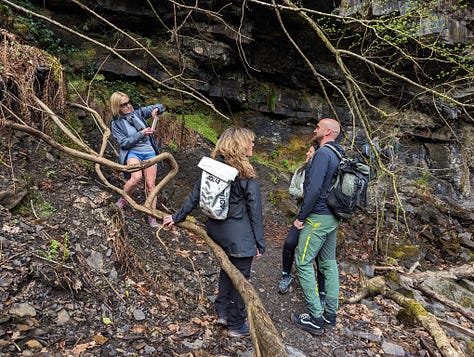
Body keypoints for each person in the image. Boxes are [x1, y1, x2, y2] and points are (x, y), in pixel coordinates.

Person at [162, 127, 265, 338]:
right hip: (238, 235)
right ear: (239, 145)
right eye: (250, 142)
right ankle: (236, 324)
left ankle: (222, 312)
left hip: (215, 229)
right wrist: (259, 243)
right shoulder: (246, 175)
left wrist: (176, 216)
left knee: (227, 269)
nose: (253, 145)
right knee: (241, 279)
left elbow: (195, 196)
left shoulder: (213, 167)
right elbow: (255, 212)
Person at [291, 118, 342, 335]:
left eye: (318, 127)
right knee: (329, 263)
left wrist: (301, 217)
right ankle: (330, 314)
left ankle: (315, 317)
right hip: (333, 216)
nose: (315, 129)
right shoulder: (339, 153)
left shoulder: (322, 153)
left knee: (302, 262)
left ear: (328, 131)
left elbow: (312, 190)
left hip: (318, 217)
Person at [109, 91, 165, 228]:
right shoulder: (116, 123)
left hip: (149, 152)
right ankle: (123, 200)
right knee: (136, 178)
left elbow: (160, 106)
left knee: (151, 186)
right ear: (117, 107)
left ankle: (152, 216)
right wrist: (141, 134)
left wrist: (157, 110)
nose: (128, 106)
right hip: (133, 152)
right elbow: (124, 143)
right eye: (123, 105)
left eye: (128, 102)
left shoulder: (138, 112)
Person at [278, 142, 325, 298]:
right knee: (290, 243)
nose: (307, 154)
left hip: (317, 217)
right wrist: (304, 193)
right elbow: (291, 188)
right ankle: (286, 274)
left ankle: (322, 290)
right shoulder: (300, 171)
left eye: (310, 152)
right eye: (307, 151)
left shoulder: (322, 172)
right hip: (301, 214)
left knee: (318, 253)